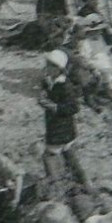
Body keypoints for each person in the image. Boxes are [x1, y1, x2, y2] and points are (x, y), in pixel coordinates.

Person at [39, 50, 90, 190]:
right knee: (69, 155)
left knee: (48, 157)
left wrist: (53, 106)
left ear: (57, 68)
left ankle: (56, 186)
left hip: (59, 128)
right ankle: (84, 183)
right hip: (64, 128)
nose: (46, 68)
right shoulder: (53, 82)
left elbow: (74, 107)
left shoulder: (64, 86)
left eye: (49, 65)